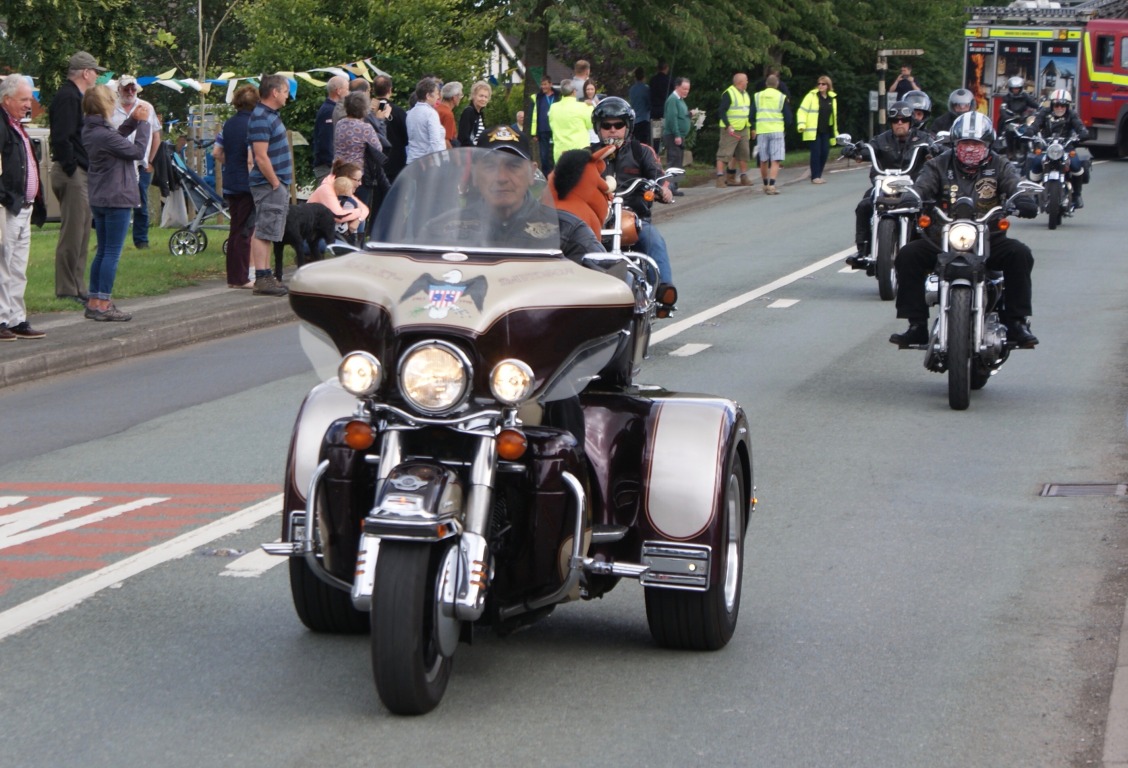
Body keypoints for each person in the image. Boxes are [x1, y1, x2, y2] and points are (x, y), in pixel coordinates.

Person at [889, 111, 1039, 348]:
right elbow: (922, 185)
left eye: (976, 143)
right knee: (908, 255)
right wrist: (912, 197)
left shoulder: (1000, 164)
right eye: (965, 143)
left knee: (1020, 254)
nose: (970, 148)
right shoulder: (938, 164)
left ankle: (1017, 323)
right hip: (942, 238)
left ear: (988, 144)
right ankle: (916, 325)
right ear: (955, 143)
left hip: (989, 238)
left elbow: (1015, 183)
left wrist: (1024, 198)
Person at [431, 125, 602, 260]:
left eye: (513, 166)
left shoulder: (566, 231)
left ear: (531, 172)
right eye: (491, 166)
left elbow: (606, 282)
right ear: (474, 174)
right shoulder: (443, 228)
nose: (501, 177)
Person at [81, 84, 151, 321]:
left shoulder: (92, 130)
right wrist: (144, 123)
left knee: (102, 251)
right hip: (117, 196)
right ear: (105, 105)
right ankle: (104, 304)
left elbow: (116, 140)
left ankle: (94, 301)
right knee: (112, 252)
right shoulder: (105, 134)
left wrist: (131, 121)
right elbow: (137, 151)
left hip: (100, 196)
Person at [591, 97, 676, 285]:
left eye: (618, 124)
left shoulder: (641, 151)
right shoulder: (588, 155)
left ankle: (664, 291)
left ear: (627, 126)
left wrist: (663, 190)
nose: (612, 129)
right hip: (596, 220)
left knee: (653, 239)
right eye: (606, 125)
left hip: (634, 218)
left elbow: (660, 177)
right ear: (598, 128)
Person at [845, 100, 933, 269]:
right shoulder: (881, 139)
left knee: (932, 208)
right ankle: (863, 250)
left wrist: (936, 149)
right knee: (864, 206)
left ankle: (932, 249)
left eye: (903, 120)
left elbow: (936, 149)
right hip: (885, 186)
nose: (899, 123)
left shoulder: (923, 139)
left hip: (914, 188)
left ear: (911, 122)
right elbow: (868, 149)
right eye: (895, 120)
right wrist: (855, 151)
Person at [49, 51, 104, 304]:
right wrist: (72, 167)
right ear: (85, 72)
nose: (96, 77)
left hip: (81, 171)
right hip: (72, 172)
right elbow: (62, 137)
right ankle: (67, 287)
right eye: (95, 72)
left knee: (82, 230)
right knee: (73, 232)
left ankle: (79, 285)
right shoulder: (67, 97)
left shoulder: (76, 97)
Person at [0, 74, 47, 340]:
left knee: (18, 266)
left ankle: (16, 318)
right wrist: (5, 196)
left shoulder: (16, 124)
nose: (29, 104)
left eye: (29, 99)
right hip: (8, 205)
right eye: (24, 99)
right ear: (6, 100)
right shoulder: (1, 124)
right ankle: (1, 319)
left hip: (23, 206)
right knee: (3, 264)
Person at [246, 73, 292, 297]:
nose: (287, 96)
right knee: (264, 230)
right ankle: (262, 277)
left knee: (268, 230)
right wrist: (275, 182)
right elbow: (260, 156)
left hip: (274, 182)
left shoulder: (268, 115)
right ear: (274, 92)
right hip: (269, 183)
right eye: (285, 91)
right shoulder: (262, 117)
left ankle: (266, 275)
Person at [213, 84, 259, 289]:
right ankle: (241, 278)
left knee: (235, 229)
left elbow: (216, 152)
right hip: (247, 184)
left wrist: (230, 164)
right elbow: (252, 157)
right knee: (245, 231)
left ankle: (233, 277)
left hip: (230, 181)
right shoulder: (254, 124)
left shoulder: (228, 124)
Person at [110, 75, 162, 250]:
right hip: (117, 163)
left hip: (140, 162)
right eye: (127, 88)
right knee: (115, 200)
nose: (130, 92)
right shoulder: (110, 107)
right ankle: (113, 238)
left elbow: (156, 135)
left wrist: (150, 161)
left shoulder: (146, 107)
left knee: (141, 202)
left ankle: (141, 239)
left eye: (133, 88)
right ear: (119, 89)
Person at [1024, 89, 1090, 208]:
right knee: (1035, 164)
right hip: (1046, 146)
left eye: (1063, 105)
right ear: (1052, 104)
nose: (1060, 108)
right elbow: (1035, 125)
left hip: (1066, 147)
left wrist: (1082, 134)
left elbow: (1080, 127)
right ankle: (1034, 195)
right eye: (1057, 105)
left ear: (1067, 105)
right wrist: (1030, 132)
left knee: (1076, 166)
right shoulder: (1044, 112)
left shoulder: (1072, 114)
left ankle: (1077, 195)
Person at [307, 159, 369, 245]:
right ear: (347, 178)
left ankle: (358, 248)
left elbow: (365, 209)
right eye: (357, 180)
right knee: (346, 249)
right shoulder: (326, 189)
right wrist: (358, 212)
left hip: (326, 230)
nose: (360, 184)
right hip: (312, 235)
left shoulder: (343, 189)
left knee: (361, 221)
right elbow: (339, 216)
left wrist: (358, 219)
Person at [797, 75, 839, 184]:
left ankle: (819, 175)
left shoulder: (832, 98)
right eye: (819, 83)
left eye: (823, 84)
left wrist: (835, 131)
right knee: (816, 153)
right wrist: (801, 124)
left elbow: (833, 117)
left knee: (824, 152)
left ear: (828, 86)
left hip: (826, 130)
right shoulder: (811, 96)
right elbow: (802, 111)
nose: (820, 86)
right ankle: (815, 176)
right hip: (813, 130)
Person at [750, 74, 787, 195]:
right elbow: (788, 117)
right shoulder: (781, 97)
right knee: (775, 159)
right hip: (776, 130)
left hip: (762, 130)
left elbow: (751, 115)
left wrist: (754, 127)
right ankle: (772, 185)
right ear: (777, 84)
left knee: (764, 159)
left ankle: (765, 184)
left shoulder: (757, 96)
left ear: (766, 84)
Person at [714, 73, 752, 187]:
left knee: (743, 154)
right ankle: (720, 178)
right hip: (730, 129)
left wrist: (752, 128)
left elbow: (746, 113)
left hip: (743, 128)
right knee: (724, 154)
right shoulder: (729, 93)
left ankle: (743, 176)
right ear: (740, 82)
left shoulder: (745, 94)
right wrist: (728, 125)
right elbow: (722, 111)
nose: (747, 82)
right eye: (746, 80)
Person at [312, 75, 348, 183]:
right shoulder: (329, 111)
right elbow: (326, 140)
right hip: (328, 168)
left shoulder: (334, 109)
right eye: (347, 89)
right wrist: (335, 164)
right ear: (339, 91)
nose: (349, 93)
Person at [372, 76, 408, 183]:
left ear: (373, 90)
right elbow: (406, 137)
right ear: (390, 90)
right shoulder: (398, 111)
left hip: (374, 160)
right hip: (395, 161)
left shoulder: (367, 110)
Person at [547, 79, 593, 162]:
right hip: (580, 151)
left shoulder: (553, 107)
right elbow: (591, 125)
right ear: (574, 92)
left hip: (560, 152)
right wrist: (590, 107)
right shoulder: (583, 107)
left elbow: (552, 125)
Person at [997, 76, 1040, 159]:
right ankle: (1010, 151)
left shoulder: (1025, 96)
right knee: (1009, 131)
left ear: (1021, 88)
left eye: (1017, 88)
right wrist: (1007, 117)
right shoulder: (1006, 98)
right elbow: (1003, 109)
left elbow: (1034, 104)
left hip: (1022, 119)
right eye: (1013, 88)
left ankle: (1027, 150)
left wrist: (1041, 108)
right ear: (1010, 89)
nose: (1015, 90)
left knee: (1031, 129)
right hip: (1011, 119)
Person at [405, 77, 445, 164]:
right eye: (436, 94)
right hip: (427, 163)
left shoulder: (411, 113)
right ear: (428, 96)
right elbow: (435, 142)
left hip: (412, 160)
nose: (438, 97)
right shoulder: (431, 113)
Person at [662, 77, 691, 196]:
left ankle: (675, 186)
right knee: (673, 161)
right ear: (677, 87)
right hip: (673, 135)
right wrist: (677, 134)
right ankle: (670, 187)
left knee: (678, 162)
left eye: (688, 89)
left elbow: (681, 115)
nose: (686, 91)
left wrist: (689, 114)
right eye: (684, 88)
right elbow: (672, 118)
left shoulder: (680, 100)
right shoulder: (673, 100)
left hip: (679, 135)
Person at [529, 75, 557, 172]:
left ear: (551, 84)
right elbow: (533, 115)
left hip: (556, 130)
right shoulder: (538, 98)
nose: (543, 87)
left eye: (545, 84)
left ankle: (556, 177)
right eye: (542, 85)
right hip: (543, 130)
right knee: (544, 157)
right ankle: (546, 177)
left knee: (555, 155)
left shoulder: (558, 96)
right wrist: (534, 133)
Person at [458, 80, 491, 148]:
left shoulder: (480, 114)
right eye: (481, 96)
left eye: (486, 97)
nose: (483, 99)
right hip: (469, 154)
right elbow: (463, 138)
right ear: (474, 96)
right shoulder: (469, 112)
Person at [649, 60, 672, 153]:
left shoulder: (653, 80)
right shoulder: (669, 80)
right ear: (666, 68)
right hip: (666, 110)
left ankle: (655, 151)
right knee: (667, 132)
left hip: (655, 110)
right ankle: (667, 151)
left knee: (656, 134)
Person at [628, 67, 651, 147]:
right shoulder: (646, 89)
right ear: (644, 77)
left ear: (635, 77)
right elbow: (649, 104)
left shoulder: (632, 89)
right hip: (644, 119)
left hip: (635, 120)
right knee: (644, 144)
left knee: (635, 142)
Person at [436, 81, 462, 148]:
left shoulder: (436, 109)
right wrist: (453, 156)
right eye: (460, 95)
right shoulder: (448, 114)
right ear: (454, 97)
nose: (460, 98)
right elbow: (446, 140)